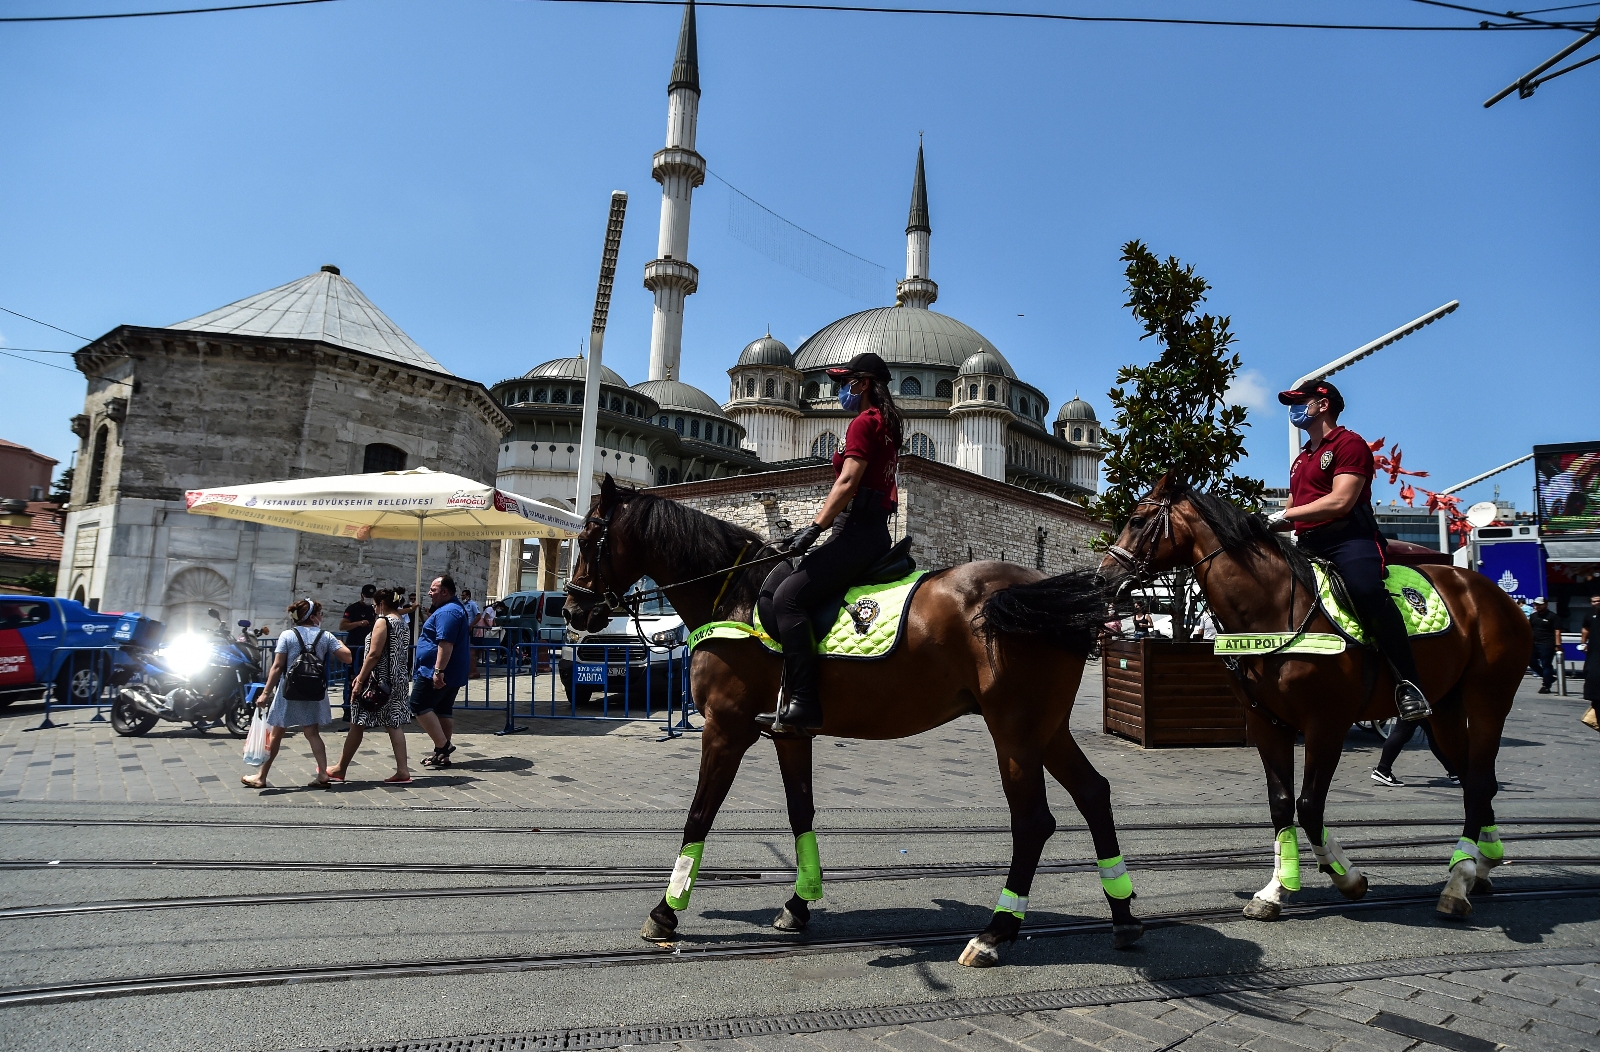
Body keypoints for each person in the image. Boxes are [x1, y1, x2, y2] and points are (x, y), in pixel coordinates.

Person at [757, 351, 902, 732]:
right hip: (874, 531)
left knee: (788, 598)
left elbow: (848, 482)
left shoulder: (864, 423)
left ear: (864, 383)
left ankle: (804, 701)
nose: (843, 390)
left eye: (848, 382)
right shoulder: (888, 425)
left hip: (853, 531)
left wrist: (814, 527)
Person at [1270, 380, 1430, 722]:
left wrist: (1282, 516)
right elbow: (1292, 511)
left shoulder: (1349, 444)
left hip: (1349, 541)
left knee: (1364, 589)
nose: (1294, 410)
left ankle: (1409, 682)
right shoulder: (1301, 460)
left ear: (1322, 405)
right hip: (1309, 544)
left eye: (1301, 402)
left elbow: (1341, 501)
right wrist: (1252, 523)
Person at [241, 598, 353, 789]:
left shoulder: (287, 635)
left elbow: (277, 666)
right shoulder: (325, 636)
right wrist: (340, 643)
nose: (321, 617)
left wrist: (266, 693)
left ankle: (261, 777)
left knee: (277, 733)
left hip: (289, 690)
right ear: (313, 616)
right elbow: (348, 658)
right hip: (314, 690)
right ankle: (323, 774)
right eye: (320, 613)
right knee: (312, 733)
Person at [328, 587, 414, 784]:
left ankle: (340, 768)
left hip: (378, 680)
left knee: (358, 721)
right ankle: (402, 770)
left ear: (382, 604)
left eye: (375, 605)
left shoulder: (383, 622)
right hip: (397, 678)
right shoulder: (402, 622)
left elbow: (374, 654)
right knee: (393, 723)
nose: (374, 609)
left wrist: (359, 679)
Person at [412, 574, 473, 768]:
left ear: (445, 592)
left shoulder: (448, 612)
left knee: (417, 704)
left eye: (433, 590)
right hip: (451, 671)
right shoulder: (453, 609)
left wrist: (438, 670)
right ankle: (441, 755)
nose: (429, 593)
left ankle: (443, 746)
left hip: (437, 671)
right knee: (443, 710)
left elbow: (445, 643)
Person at [1371, 717, 1459, 787]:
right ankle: (1383, 770)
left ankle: (1454, 772)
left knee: (1432, 733)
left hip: (1417, 699)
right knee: (1402, 732)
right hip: (1415, 699)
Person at [338, 584, 379, 716]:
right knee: (352, 680)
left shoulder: (376, 609)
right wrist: (358, 623)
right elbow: (343, 626)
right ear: (362, 595)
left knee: (370, 681)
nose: (369, 599)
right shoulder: (353, 608)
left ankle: (367, 708)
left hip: (369, 650)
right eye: (367, 596)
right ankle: (349, 709)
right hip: (355, 650)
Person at [1529, 597, 1559, 694]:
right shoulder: (1533, 616)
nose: (1538, 606)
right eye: (1536, 604)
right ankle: (1549, 677)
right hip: (1534, 643)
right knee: (1531, 662)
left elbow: (1557, 631)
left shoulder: (1553, 616)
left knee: (1546, 664)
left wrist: (1558, 644)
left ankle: (1546, 685)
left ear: (1546, 604)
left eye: (1540, 604)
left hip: (1547, 644)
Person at [1582, 594, 1599, 727]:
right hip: (1594, 664)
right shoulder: (1591, 616)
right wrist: (1583, 643)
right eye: (1593, 601)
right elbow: (1585, 629)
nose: (1596, 603)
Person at [462, 589, 483, 679]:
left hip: (469, 628)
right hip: (463, 628)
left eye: (464, 595)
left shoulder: (472, 604)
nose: (462, 597)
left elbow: (478, 616)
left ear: (468, 596)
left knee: (469, 647)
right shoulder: (462, 605)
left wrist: (472, 625)